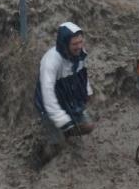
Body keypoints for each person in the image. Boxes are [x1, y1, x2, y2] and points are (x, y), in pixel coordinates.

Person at [34, 22, 95, 164]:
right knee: (56, 144)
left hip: (70, 99)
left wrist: (87, 91)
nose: (79, 46)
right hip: (50, 105)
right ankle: (41, 163)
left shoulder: (79, 54)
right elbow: (47, 95)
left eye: (80, 42)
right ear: (65, 44)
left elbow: (82, 74)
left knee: (88, 126)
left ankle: (65, 132)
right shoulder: (50, 62)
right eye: (75, 44)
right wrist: (60, 119)